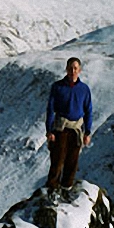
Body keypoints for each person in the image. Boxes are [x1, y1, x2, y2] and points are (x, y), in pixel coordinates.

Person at [45, 57, 93, 190]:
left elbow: (88, 110)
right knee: (57, 160)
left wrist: (87, 132)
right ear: (66, 69)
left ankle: (67, 188)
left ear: (80, 70)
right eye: (70, 68)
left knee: (72, 161)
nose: (73, 71)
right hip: (60, 128)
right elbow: (50, 109)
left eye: (75, 68)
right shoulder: (57, 87)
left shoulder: (84, 89)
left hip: (76, 129)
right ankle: (52, 189)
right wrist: (49, 131)